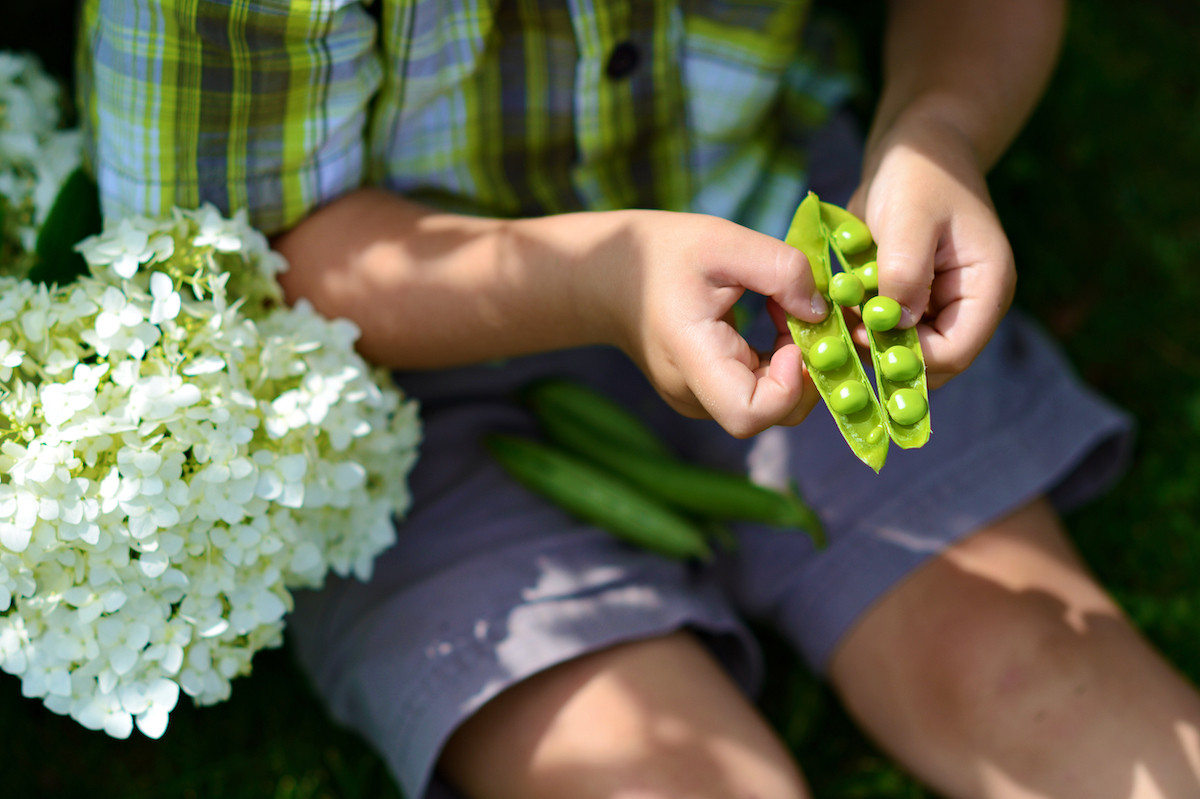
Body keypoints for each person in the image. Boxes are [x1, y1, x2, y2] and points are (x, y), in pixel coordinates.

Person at [80, 0, 1200, 796]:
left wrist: (938, 130)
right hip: (381, 391)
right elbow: (249, 251)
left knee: (1024, 669)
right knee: (660, 777)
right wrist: (598, 278)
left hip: (796, 256)